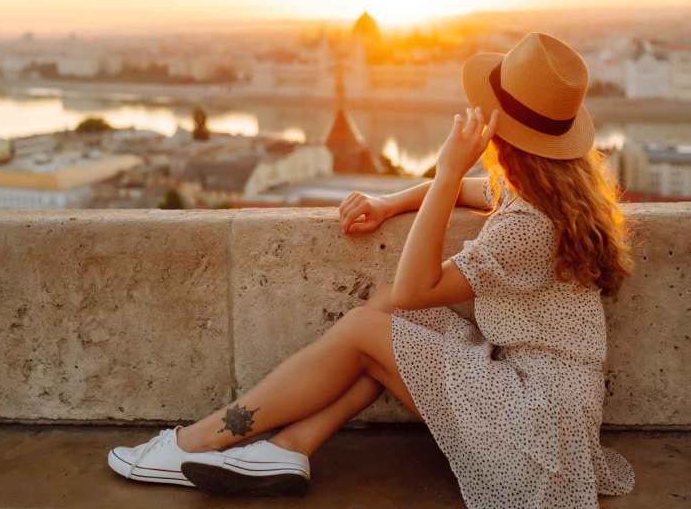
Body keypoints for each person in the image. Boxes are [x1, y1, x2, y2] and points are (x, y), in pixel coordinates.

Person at [107, 32, 635, 508]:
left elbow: (415, 289)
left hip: (537, 429)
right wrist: (391, 201)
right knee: (379, 313)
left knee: (372, 324)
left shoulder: (528, 225)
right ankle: (292, 447)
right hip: (545, 401)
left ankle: (196, 442)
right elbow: (467, 197)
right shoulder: (554, 190)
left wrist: (450, 163)